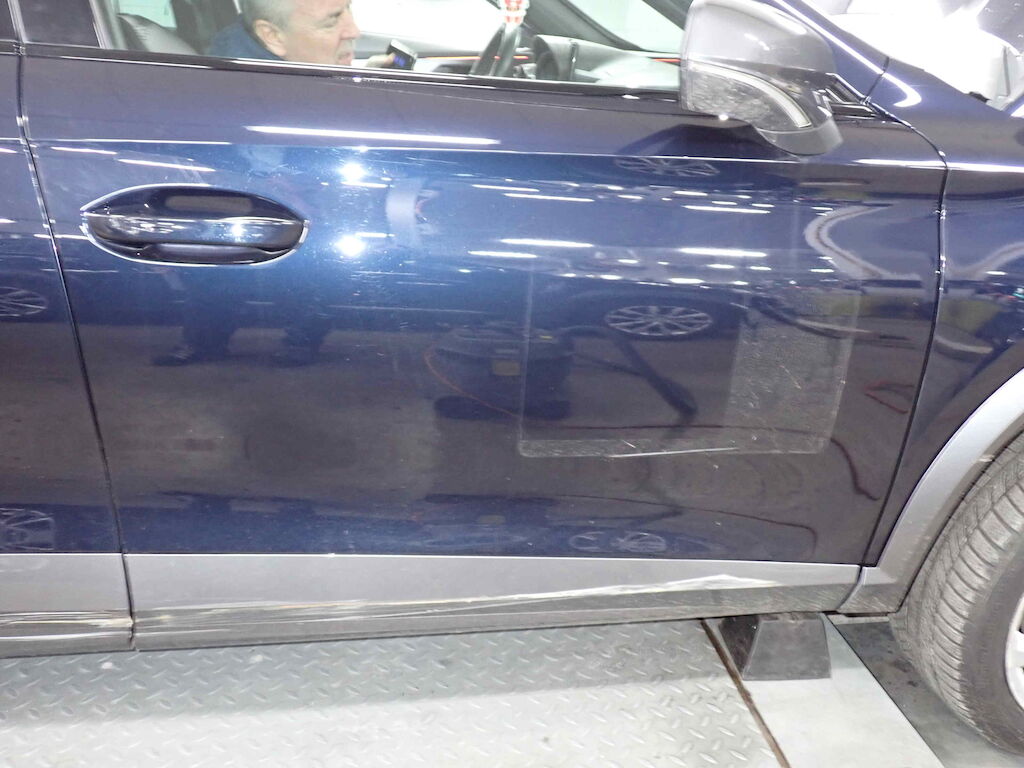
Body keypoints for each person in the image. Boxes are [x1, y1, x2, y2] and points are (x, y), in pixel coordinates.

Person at [207, 0, 394, 67]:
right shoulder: (280, 107)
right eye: (331, 21)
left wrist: (364, 81)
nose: (354, 31)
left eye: (348, 8)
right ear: (273, 36)